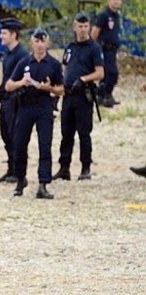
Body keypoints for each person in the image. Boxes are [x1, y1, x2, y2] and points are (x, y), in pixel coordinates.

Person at [5, 28, 64, 199]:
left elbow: (61, 89)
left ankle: (43, 183)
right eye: (36, 41)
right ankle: (20, 179)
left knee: (45, 145)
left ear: (47, 43)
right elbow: (8, 85)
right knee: (19, 144)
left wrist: (50, 88)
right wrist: (20, 83)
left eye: (42, 41)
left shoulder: (53, 64)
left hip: (44, 106)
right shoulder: (24, 63)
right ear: (31, 43)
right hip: (25, 107)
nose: (39, 45)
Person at [55, 12, 104, 182]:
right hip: (68, 95)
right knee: (66, 133)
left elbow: (100, 73)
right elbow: (64, 68)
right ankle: (64, 167)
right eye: (79, 26)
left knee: (84, 133)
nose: (82, 29)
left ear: (89, 27)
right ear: (74, 27)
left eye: (85, 26)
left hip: (83, 95)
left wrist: (83, 79)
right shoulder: (70, 47)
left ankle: (85, 167)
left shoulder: (94, 48)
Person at [0, 18, 30, 183]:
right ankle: (11, 168)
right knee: (6, 135)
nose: (1, 36)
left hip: (16, 101)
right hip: (6, 100)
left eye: (4, 33)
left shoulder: (22, 55)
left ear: (13, 35)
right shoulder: (7, 54)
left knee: (16, 136)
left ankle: (18, 171)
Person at [91, 0, 122, 107]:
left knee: (107, 74)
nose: (116, 2)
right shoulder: (104, 15)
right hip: (104, 48)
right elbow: (95, 32)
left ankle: (102, 96)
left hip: (113, 50)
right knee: (112, 73)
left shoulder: (117, 15)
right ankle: (106, 95)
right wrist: (92, 47)